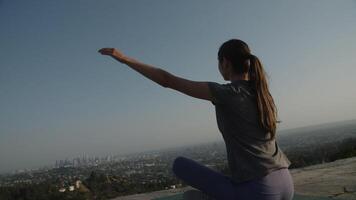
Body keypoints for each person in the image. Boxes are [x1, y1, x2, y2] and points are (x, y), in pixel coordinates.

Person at [98, 39, 294, 200]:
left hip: (260, 192)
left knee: (181, 170)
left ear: (225, 62)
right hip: (286, 183)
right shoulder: (261, 93)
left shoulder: (227, 93)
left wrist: (123, 58)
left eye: (219, 63)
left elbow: (167, 80)